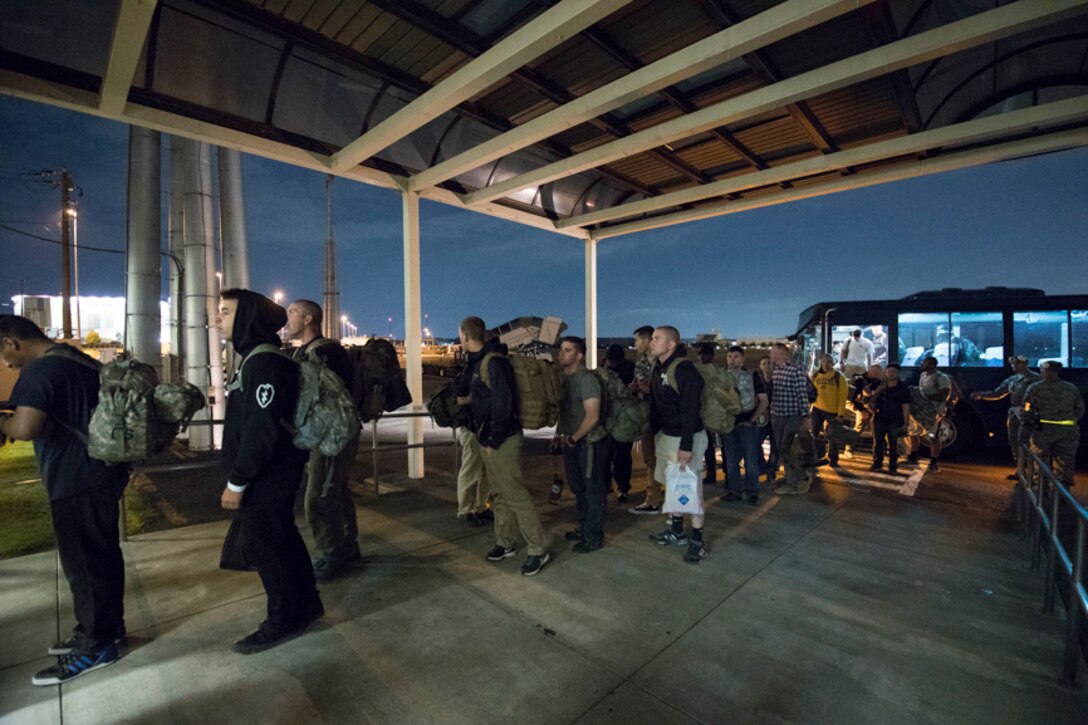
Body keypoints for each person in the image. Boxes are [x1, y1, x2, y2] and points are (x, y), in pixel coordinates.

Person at [0, 316, 130, 685]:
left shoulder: (39, 372)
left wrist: (2, 424)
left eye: (1, 353)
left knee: (84, 566)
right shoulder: (80, 361)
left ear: (11, 341)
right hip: (103, 472)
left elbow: (25, 428)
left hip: (74, 480)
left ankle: (95, 645)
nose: (5, 364)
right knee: (103, 555)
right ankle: (107, 627)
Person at [216, 290, 323, 654]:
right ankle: (306, 606)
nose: (219, 319)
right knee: (284, 540)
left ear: (248, 318)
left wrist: (237, 481)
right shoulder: (256, 360)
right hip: (270, 472)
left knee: (268, 549)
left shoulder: (265, 364)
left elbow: (261, 431)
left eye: (226, 312)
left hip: (267, 475)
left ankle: (283, 618)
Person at [460, 316, 550, 576]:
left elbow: (503, 405)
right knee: (499, 494)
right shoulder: (479, 362)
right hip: (488, 438)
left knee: (516, 495)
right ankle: (505, 541)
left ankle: (537, 549)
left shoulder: (494, 363)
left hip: (501, 440)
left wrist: (492, 439)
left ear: (466, 336)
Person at [284, 300, 362, 580]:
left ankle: (331, 553)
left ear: (308, 319)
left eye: (292, 312)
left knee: (317, 496)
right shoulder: (304, 351)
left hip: (332, 436)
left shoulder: (327, 352)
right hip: (323, 434)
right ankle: (347, 545)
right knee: (336, 490)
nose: (287, 317)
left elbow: (332, 401)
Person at [646, 326, 709, 563]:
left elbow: (690, 411)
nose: (652, 342)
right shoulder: (658, 367)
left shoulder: (684, 370)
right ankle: (677, 531)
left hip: (686, 437)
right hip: (667, 436)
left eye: (656, 338)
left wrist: (686, 446)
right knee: (674, 488)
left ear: (671, 344)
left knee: (692, 491)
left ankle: (698, 542)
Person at [554, 336, 608, 553]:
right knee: (578, 489)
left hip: (589, 443)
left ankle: (593, 536)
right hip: (572, 442)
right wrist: (559, 435)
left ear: (579, 355)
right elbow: (565, 412)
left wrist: (574, 438)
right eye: (561, 349)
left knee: (593, 491)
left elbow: (592, 417)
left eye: (567, 350)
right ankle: (584, 527)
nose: (561, 354)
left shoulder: (587, 380)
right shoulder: (565, 379)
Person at [971, 355, 1041, 480]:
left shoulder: (1036, 379)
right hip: (1015, 413)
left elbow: (1041, 398)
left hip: (1029, 414)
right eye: (1013, 364)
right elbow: (998, 393)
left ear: (1025, 364)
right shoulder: (1013, 379)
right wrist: (981, 395)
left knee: (1029, 443)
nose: (1014, 366)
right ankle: (1020, 471)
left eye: (1017, 363)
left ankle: (1034, 474)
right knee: (1015, 442)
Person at [720, 345, 768, 505]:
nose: (732, 360)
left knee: (750, 459)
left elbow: (763, 401)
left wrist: (752, 419)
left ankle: (753, 492)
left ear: (742, 359)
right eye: (729, 357)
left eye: (735, 357)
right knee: (731, 460)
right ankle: (734, 491)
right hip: (728, 425)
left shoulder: (752, 376)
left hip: (747, 425)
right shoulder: (721, 376)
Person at [1024, 361, 1084, 488]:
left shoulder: (1035, 388)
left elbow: (1027, 408)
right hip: (1067, 431)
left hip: (1042, 430)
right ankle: (1062, 492)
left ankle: (1041, 489)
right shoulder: (1071, 388)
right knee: (1064, 462)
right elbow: (1080, 409)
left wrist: (1029, 420)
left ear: (1045, 371)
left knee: (1040, 459)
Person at [455, 345, 492, 527]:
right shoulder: (473, 366)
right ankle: (466, 510)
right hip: (472, 427)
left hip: (486, 426)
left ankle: (481, 507)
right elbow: (461, 398)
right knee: (470, 469)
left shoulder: (483, 364)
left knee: (485, 471)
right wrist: (482, 396)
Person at [769, 342, 812, 495]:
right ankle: (793, 479)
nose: (771, 354)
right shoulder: (775, 370)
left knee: (790, 449)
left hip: (792, 416)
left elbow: (802, 395)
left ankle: (798, 481)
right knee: (783, 449)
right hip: (777, 415)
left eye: (774, 351)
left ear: (783, 353)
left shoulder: (796, 370)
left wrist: (806, 416)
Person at [629, 325, 661, 515]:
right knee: (650, 460)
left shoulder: (663, 361)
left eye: (637, 340)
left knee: (668, 459)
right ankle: (653, 499)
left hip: (664, 416)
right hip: (647, 414)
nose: (635, 344)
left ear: (648, 340)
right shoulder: (640, 362)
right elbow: (638, 385)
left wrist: (651, 390)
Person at [867, 363, 913, 474]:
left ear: (898, 373)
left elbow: (906, 407)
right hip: (878, 418)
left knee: (893, 445)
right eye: (888, 371)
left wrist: (906, 423)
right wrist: (876, 392)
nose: (890, 374)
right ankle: (877, 464)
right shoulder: (879, 383)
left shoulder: (903, 388)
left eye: (893, 371)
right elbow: (865, 391)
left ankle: (893, 467)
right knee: (877, 443)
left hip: (895, 420)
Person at [603, 343, 635, 503]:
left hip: (623, 421)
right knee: (606, 455)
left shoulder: (629, 370)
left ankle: (622, 487)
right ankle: (610, 484)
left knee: (621, 457)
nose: (612, 365)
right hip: (610, 419)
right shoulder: (605, 370)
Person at [908, 356, 951, 473]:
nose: (922, 365)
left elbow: (944, 395)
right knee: (913, 432)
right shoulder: (923, 375)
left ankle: (934, 462)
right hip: (919, 410)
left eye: (925, 363)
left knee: (933, 436)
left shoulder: (942, 377)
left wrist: (925, 398)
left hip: (933, 411)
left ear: (932, 364)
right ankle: (913, 455)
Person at [810, 353, 849, 467]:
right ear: (821, 363)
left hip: (832, 411)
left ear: (832, 363)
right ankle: (814, 456)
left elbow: (842, 397)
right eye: (824, 361)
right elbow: (811, 393)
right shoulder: (816, 376)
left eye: (829, 362)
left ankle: (833, 459)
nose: (826, 364)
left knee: (833, 436)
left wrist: (840, 414)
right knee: (814, 434)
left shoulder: (839, 377)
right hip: (817, 409)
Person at [696, 343, 720, 485]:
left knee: (707, 446)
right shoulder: (716, 370)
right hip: (710, 412)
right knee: (710, 446)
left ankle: (711, 474)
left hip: (706, 412)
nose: (702, 357)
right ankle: (713, 474)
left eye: (704, 354)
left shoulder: (696, 370)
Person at [757, 355, 777, 480]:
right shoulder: (758, 382)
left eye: (769, 363)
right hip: (762, 418)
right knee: (755, 443)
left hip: (775, 418)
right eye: (764, 364)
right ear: (761, 366)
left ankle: (771, 469)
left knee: (775, 446)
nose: (767, 366)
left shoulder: (778, 381)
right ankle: (762, 465)